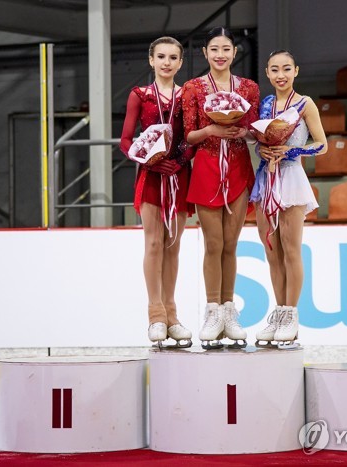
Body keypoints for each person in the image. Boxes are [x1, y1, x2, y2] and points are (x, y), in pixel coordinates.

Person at [181, 27, 260, 348]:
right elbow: (188, 135)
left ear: (234, 52)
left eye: (226, 48)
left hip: (239, 166)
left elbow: (255, 128)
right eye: (214, 49)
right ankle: (212, 310)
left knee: (231, 243)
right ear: (205, 53)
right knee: (213, 244)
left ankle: (230, 311)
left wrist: (246, 133)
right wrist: (212, 128)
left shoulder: (249, 88)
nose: (220, 54)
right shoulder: (193, 88)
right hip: (207, 167)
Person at [120, 36, 194, 348]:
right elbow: (126, 140)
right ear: (151, 60)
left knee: (173, 245)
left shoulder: (187, 96)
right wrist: (148, 160)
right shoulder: (140, 95)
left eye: (173, 57)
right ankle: (155, 315)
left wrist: (178, 161)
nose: (166, 62)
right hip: (151, 176)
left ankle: (172, 314)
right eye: (161, 56)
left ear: (180, 63)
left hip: (178, 175)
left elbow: (191, 138)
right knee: (153, 243)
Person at [250, 50, 327, 348]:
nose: (280, 74)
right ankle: (279, 310)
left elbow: (322, 144)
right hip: (266, 178)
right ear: (267, 74)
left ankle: (292, 314)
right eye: (274, 70)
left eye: (286, 69)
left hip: (291, 178)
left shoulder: (305, 103)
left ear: (296, 70)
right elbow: (259, 139)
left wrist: (294, 151)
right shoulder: (265, 104)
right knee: (271, 250)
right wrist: (263, 151)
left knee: (291, 248)